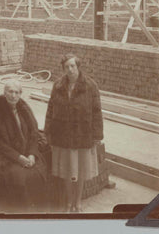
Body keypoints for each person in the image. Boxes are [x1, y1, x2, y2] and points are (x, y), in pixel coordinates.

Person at [44, 53, 103, 213]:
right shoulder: (57, 85)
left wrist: (98, 135)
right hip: (62, 135)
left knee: (80, 171)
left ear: (78, 67)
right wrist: (47, 130)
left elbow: (97, 111)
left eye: (73, 66)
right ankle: (69, 202)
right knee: (66, 171)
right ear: (63, 69)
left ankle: (78, 202)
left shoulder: (90, 85)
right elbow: (50, 109)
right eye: (66, 67)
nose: (70, 70)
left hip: (82, 135)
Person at [0, 80, 47, 212]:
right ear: (4, 93)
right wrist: (19, 157)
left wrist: (31, 154)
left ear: (20, 94)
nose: (13, 95)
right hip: (5, 155)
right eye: (10, 92)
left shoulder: (24, 109)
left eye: (16, 92)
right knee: (19, 177)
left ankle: (36, 211)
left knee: (38, 173)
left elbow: (33, 133)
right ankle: (20, 212)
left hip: (26, 152)